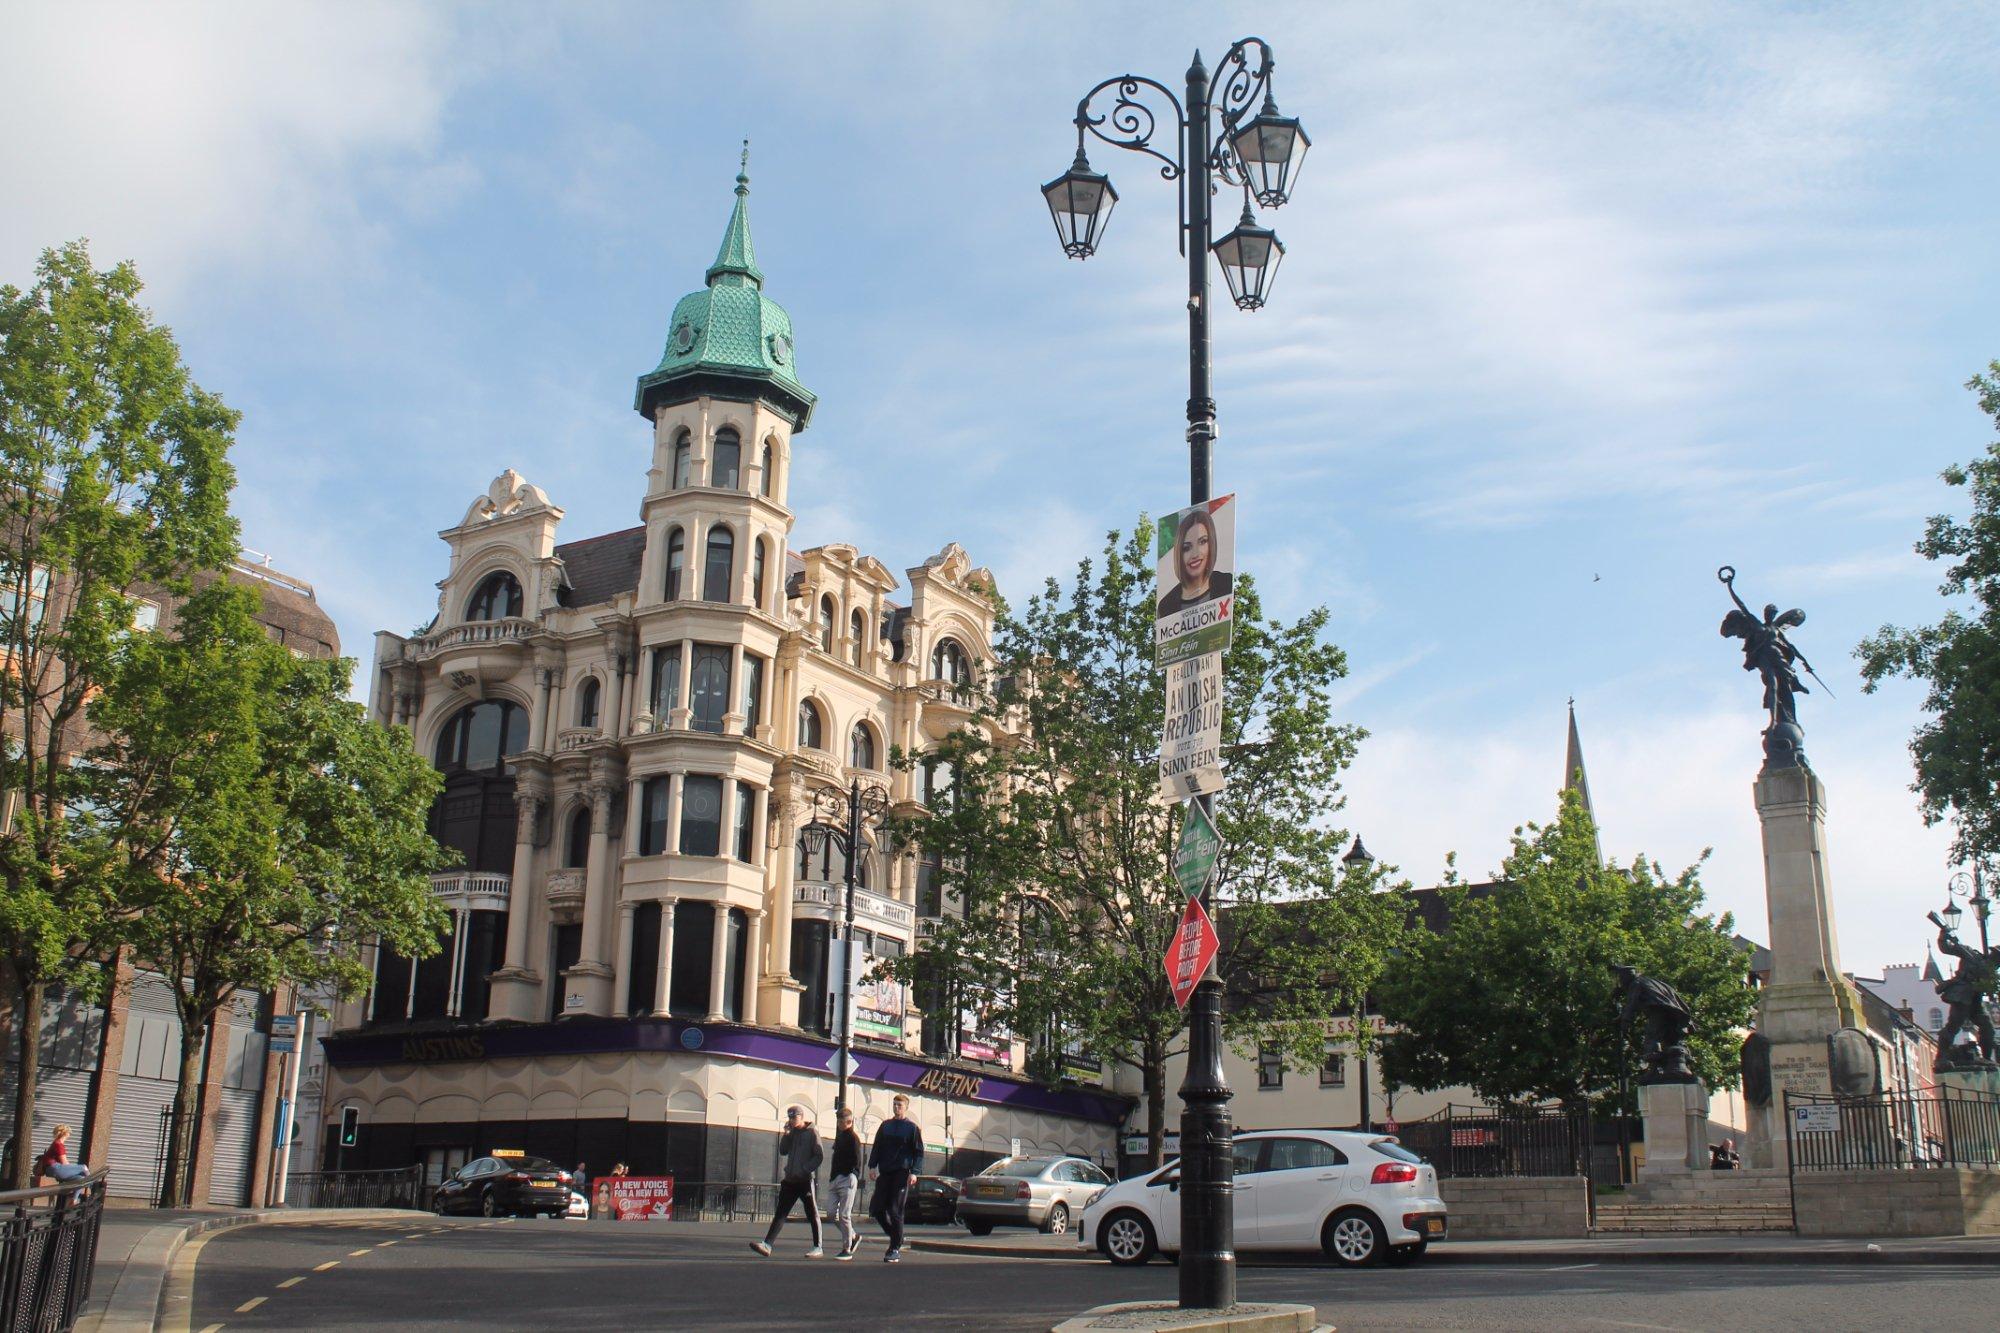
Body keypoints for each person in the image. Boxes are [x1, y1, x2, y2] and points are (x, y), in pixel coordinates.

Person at [752, 1106, 824, 1258]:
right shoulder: (793, 1134)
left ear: (801, 1116)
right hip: (790, 1180)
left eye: (793, 1117)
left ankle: (818, 1246)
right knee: (781, 1212)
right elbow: (783, 1151)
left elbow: (819, 1156)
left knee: (812, 1213)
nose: (791, 1120)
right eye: (789, 1117)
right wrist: (786, 1135)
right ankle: (767, 1244)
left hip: (805, 1180)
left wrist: (805, 1169)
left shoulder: (812, 1133)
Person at [867, 1093, 923, 1264]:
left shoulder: (912, 1128)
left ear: (906, 1107)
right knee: (876, 1209)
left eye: (900, 1105)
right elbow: (877, 1146)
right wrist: (872, 1165)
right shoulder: (885, 1126)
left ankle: (894, 1248)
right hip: (885, 1172)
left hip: (901, 1172)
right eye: (895, 1104)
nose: (897, 1107)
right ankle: (896, 1236)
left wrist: (915, 1172)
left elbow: (918, 1152)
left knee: (895, 1210)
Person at [1156, 506, 1231, 616]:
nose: (1195, 554)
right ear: (1178, 554)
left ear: (1211, 544)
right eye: (1186, 548)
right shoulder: (1166, 605)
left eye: (1202, 542)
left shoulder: (1226, 583)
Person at [827, 1107, 863, 1260]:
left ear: (849, 1122)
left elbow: (857, 1160)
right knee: (830, 1214)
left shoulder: (853, 1138)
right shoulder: (840, 1136)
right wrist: (832, 1177)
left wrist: (852, 1174)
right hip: (835, 1178)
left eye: (841, 1121)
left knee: (844, 1215)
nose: (839, 1124)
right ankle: (853, 1236)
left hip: (847, 1178)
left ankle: (846, 1249)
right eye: (838, 1121)